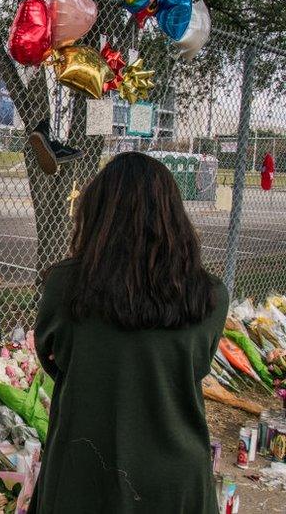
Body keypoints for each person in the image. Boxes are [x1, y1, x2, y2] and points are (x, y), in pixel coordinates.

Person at [28, 153, 227, 513]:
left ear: (98, 213)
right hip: (177, 476)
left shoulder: (65, 286)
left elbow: (53, 358)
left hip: (84, 471)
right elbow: (195, 367)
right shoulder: (210, 296)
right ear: (174, 215)